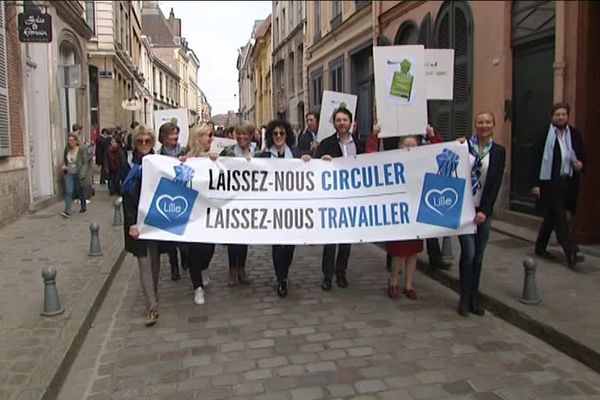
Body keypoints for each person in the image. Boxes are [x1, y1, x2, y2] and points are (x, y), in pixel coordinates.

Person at [457, 112, 505, 316]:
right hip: (464, 209)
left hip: (483, 210)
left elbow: (495, 184)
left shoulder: (499, 152)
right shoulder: (463, 146)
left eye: (487, 122)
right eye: (480, 122)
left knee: (478, 256)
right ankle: (463, 299)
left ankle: (474, 298)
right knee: (468, 253)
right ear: (475, 124)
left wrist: (485, 210)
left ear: (493, 125)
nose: (484, 125)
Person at [257, 120, 311, 297]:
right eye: (275, 134)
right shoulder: (263, 157)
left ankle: (284, 271)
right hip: (272, 208)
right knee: (277, 244)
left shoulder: (296, 154)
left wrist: (308, 160)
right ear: (271, 136)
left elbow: (314, 168)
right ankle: (281, 279)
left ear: (287, 135)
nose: (279, 136)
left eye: (282, 133)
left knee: (289, 246)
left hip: (292, 208)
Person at [530, 102, 587, 268]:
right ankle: (571, 252)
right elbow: (534, 160)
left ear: (567, 116)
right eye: (557, 115)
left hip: (568, 181)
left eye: (563, 114)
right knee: (559, 215)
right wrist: (535, 184)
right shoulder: (543, 134)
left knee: (552, 216)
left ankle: (540, 247)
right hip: (549, 181)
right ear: (552, 117)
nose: (560, 117)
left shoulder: (575, 134)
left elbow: (583, 155)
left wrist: (581, 165)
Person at [314, 107, 365, 291]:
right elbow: (314, 165)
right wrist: (322, 161)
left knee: (345, 240)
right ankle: (327, 276)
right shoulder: (326, 144)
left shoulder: (360, 144)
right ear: (334, 123)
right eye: (338, 120)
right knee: (330, 240)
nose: (342, 123)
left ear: (351, 122)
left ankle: (341, 273)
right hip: (332, 198)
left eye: (345, 119)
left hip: (351, 198)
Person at [121, 126, 161, 326]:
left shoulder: (159, 161)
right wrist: (131, 224)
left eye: (147, 141)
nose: (144, 144)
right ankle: (152, 306)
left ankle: (153, 291)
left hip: (155, 220)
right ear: (135, 142)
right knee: (144, 263)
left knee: (154, 262)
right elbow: (126, 197)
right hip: (136, 222)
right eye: (140, 141)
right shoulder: (129, 164)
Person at [181, 124, 218, 305]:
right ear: (198, 137)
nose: (212, 138)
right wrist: (180, 163)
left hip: (209, 212)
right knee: (194, 251)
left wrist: (217, 162)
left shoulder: (213, 158)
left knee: (209, 249)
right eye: (208, 135)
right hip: (192, 212)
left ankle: (204, 269)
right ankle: (198, 287)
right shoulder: (187, 159)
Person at [220, 123, 258, 286]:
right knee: (232, 237)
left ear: (251, 136)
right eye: (239, 134)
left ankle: (241, 268)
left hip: (250, 200)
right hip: (231, 200)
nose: (241, 137)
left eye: (245, 134)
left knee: (244, 238)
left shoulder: (258, 152)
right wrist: (214, 159)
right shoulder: (227, 152)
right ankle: (231, 270)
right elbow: (216, 169)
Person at [386, 136, 423, 300]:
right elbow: (370, 156)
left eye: (413, 145)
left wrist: (432, 134)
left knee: (413, 252)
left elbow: (440, 152)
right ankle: (393, 281)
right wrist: (373, 136)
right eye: (406, 145)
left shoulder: (424, 161)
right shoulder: (392, 161)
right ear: (399, 147)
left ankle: (409, 285)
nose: (409, 148)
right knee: (399, 252)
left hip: (416, 212)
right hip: (399, 212)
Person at [157, 122, 187, 280]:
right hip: (166, 197)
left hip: (183, 196)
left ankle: (185, 258)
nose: (175, 136)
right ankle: (174, 265)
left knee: (183, 234)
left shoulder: (184, 151)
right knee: (170, 237)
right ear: (163, 137)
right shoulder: (157, 155)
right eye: (171, 134)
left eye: (176, 133)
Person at [60, 134, 88, 217]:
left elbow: (85, 162)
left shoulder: (81, 149)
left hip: (78, 173)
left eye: (72, 140)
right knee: (69, 191)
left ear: (76, 141)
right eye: (69, 140)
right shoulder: (67, 149)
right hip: (69, 173)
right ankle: (67, 210)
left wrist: (82, 173)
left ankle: (83, 206)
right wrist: (64, 166)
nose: (71, 142)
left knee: (79, 191)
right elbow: (65, 160)